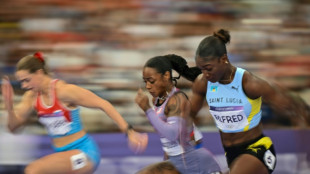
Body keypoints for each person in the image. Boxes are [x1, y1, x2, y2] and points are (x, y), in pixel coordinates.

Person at [1, 52, 148, 174]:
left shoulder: (64, 91)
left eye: (27, 80)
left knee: (33, 170)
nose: (24, 86)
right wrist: (9, 106)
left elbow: (103, 104)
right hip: (62, 155)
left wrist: (129, 132)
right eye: (21, 82)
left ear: (39, 73)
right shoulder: (31, 97)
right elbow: (14, 128)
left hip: (84, 153)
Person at [190, 29, 310, 174]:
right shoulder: (202, 83)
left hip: (258, 149)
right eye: (201, 69)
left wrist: (305, 139)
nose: (205, 74)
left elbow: (295, 108)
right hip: (231, 154)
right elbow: (188, 115)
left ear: (223, 59)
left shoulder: (250, 83)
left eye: (208, 69)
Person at [135, 54, 222, 174]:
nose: (148, 86)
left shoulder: (177, 99)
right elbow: (168, 141)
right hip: (178, 161)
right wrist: (166, 158)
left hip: (196, 162)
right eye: (145, 82)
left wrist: (147, 109)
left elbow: (172, 134)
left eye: (151, 81)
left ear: (166, 75)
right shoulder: (158, 100)